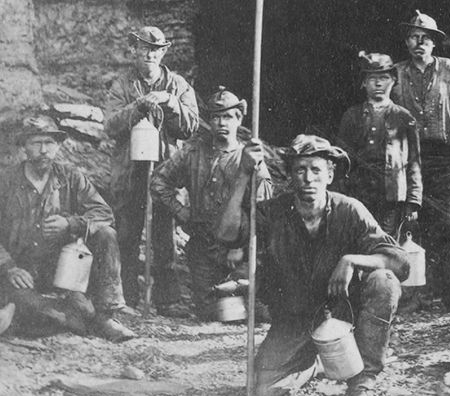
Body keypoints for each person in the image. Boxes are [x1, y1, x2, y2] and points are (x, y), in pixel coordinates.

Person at [215, 134, 409, 396]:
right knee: (264, 392)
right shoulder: (273, 213)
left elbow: (400, 262)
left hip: (343, 313)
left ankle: (363, 380)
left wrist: (351, 260)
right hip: (293, 319)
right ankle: (316, 362)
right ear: (290, 177)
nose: (308, 179)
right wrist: (243, 175)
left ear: (329, 175)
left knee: (383, 281)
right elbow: (226, 234)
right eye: (300, 170)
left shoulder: (350, 211)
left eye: (316, 170)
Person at [0, 116, 136, 342]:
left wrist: (70, 224)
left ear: (58, 146)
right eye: (36, 143)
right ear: (24, 146)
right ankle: (74, 313)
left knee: (106, 233)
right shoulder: (5, 182)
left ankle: (104, 316)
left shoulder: (70, 177)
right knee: (38, 312)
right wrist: (10, 267)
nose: (44, 150)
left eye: (50, 143)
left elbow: (104, 214)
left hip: (62, 269)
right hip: (21, 272)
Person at [392, 10, 450, 311]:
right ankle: (411, 293)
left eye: (426, 38)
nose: (420, 43)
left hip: (444, 156)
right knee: (404, 219)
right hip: (405, 156)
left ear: (434, 43)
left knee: (445, 223)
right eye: (414, 37)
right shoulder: (395, 74)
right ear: (407, 42)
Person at [151, 87, 272, 321]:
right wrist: (181, 211)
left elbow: (263, 207)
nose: (221, 123)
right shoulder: (192, 153)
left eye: (227, 116)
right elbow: (158, 183)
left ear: (238, 119)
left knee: (256, 311)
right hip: (203, 246)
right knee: (210, 312)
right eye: (215, 117)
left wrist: (240, 246)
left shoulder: (250, 158)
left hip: (240, 251)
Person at [104, 26, 199, 317]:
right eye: (143, 48)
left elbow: (191, 126)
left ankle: (167, 300)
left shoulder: (178, 85)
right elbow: (110, 125)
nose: (149, 54)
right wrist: (137, 106)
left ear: (163, 52)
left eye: (156, 49)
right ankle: (128, 297)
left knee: (164, 237)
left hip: (166, 174)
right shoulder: (122, 85)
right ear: (133, 50)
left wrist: (171, 105)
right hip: (130, 173)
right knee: (128, 235)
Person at [337, 51, 421, 235]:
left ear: (393, 80)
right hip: (358, 194)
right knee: (358, 240)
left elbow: (413, 162)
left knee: (386, 243)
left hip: (390, 195)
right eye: (372, 78)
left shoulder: (404, 118)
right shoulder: (352, 116)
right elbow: (342, 160)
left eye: (383, 78)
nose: (378, 83)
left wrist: (413, 200)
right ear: (364, 83)